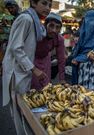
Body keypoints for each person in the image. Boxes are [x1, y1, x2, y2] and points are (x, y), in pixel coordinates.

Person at [2, 0, 52, 134]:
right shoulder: (26, 19)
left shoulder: (34, 21)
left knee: (22, 109)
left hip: (22, 70)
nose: (48, 8)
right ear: (33, 3)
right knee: (21, 111)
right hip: (16, 72)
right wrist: (34, 69)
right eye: (44, 3)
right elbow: (16, 48)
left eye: (50, 5)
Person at [71, 10, 94, 91]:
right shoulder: (82, 35)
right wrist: (78, 58)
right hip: (83, 71)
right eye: (89, 20)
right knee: (83, 96)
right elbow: (77, 52)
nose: (91, 23)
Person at [31, 13, 66, 90]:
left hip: (46, 61)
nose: (54, 30)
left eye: (57, 27)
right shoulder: (36, 34)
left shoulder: (59, 39)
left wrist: (62, 78)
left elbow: (61, 59)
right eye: (51, 26)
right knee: (32, 87)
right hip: (32, 59)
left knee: (46, 87)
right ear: (45, 25)